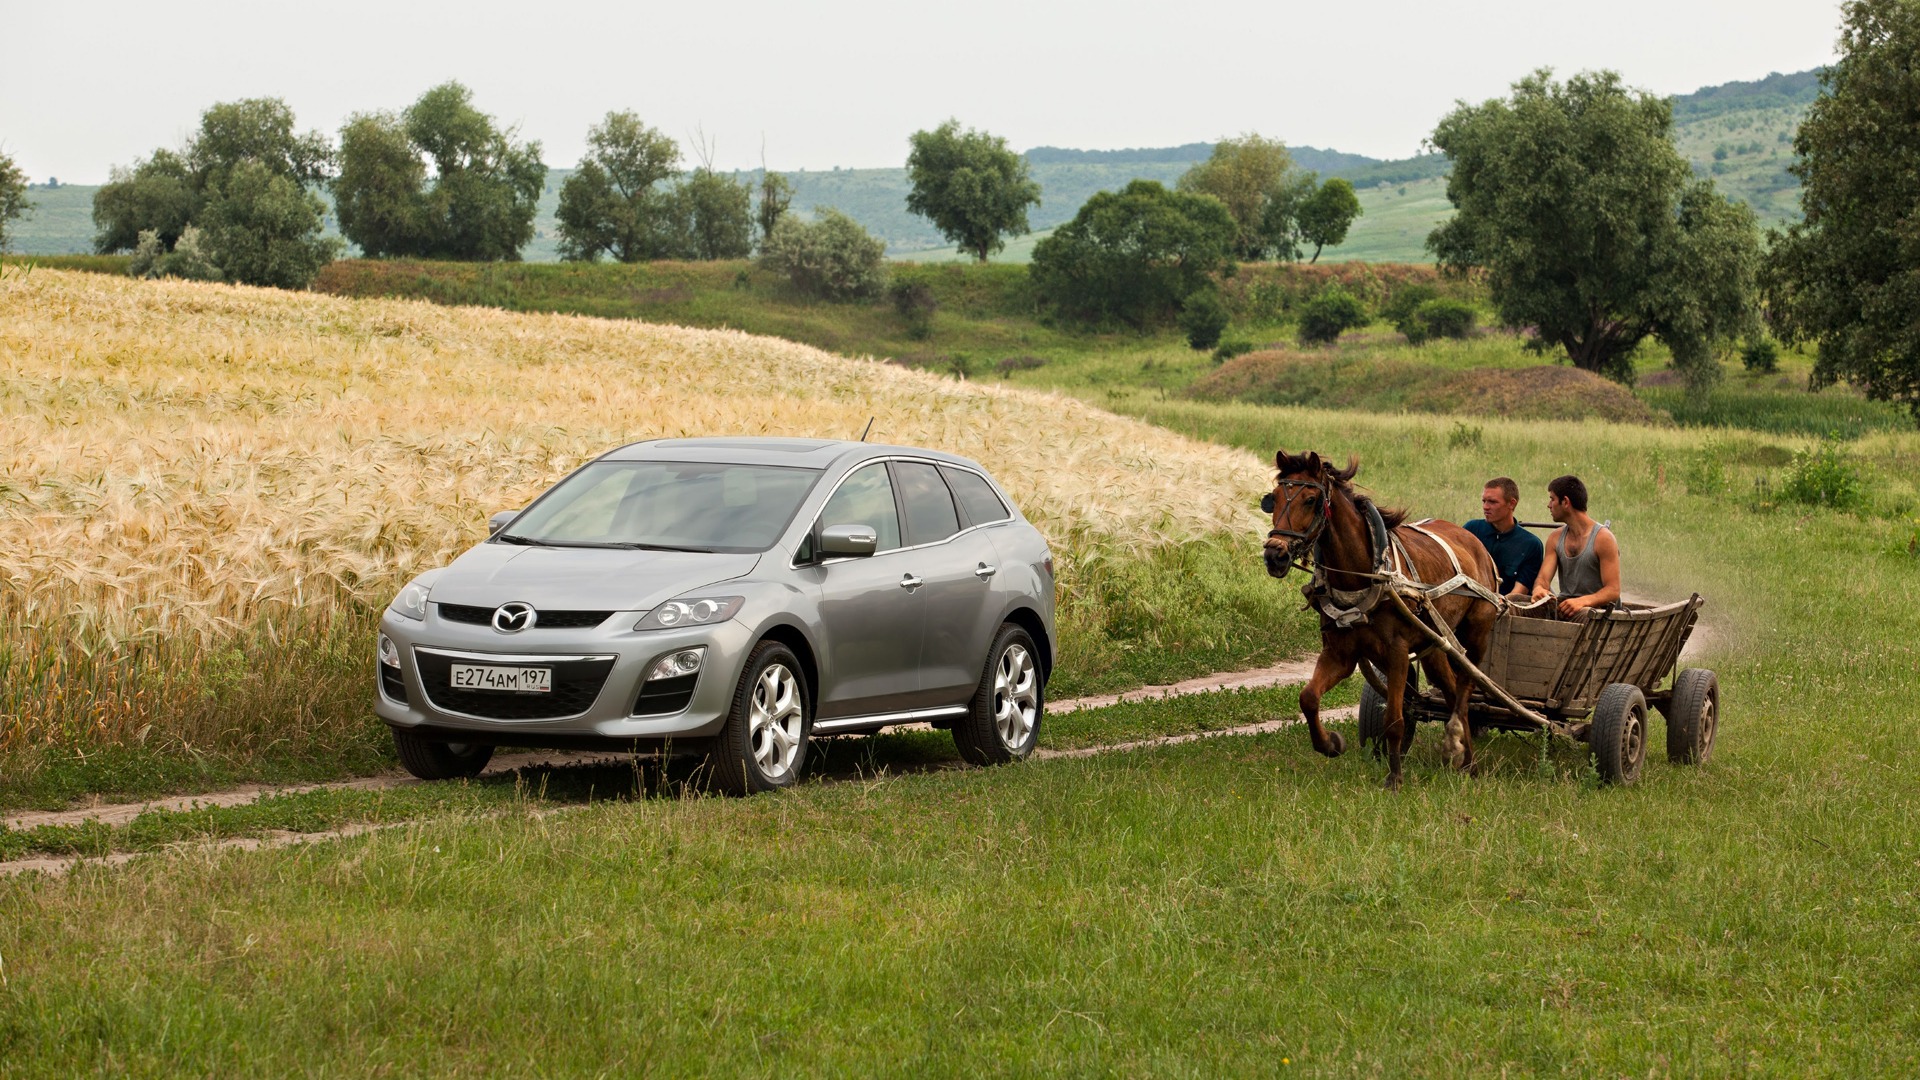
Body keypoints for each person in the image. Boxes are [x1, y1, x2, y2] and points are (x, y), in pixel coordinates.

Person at [1530, 474, 1620, 619]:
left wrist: (1583, 602)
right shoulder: (1555, 538)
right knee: (1516, 600)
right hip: (1567, 607)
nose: (1549, 505)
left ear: (1565, 502)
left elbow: (1613, 590)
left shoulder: (1603, 539)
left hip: (1597, 613)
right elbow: (1543, 578)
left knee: (1583, 614)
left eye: (1552, 499)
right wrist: (1539, 589)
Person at [1464, 476, 1543, 599]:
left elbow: (1519, 592)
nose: (1485, 507)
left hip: (1506, 607)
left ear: (1511, 503)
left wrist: (1499, 604)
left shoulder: (1531, 544)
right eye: (1484, 501)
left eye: (1492, 502)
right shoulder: (1471, 530)